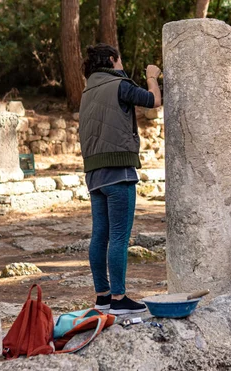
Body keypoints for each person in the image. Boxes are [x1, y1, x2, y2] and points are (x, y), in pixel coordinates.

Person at [79, 43, 161, 315]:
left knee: (99, 235)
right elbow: (153, 101)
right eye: (121, 59)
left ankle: (102, 297)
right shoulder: (119, 85)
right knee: (118, 237)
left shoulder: (88, 91)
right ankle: (119, 298)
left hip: (94, 174)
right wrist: (152, 77)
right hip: (119, 171)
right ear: (113, 59)